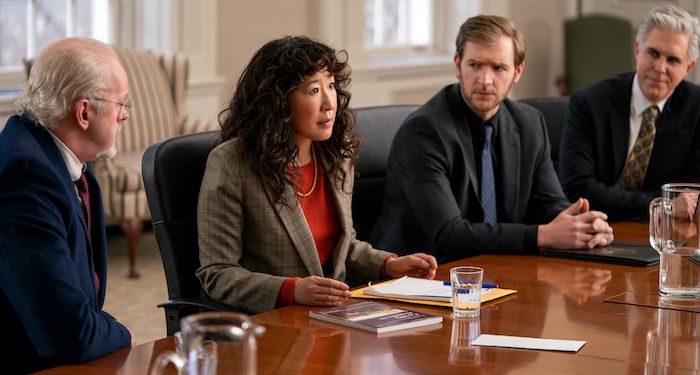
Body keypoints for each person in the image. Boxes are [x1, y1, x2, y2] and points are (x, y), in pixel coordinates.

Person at [196, 36, 438, 314]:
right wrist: (290, 289)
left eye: (331, 86)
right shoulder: (231, 163)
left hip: (335, 316)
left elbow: (340, 248)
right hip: (273, 324)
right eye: (313, 90)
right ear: (278, 100)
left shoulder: (336, 155)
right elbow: (216, 273)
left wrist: (388, 265)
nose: (329, 104)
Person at [370, 15, 614, 263]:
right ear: (457, 64)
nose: (485, 80)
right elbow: (448, 235)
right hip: (422, 278)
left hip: (497, 269)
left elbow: (548, 203)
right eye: (474, 65)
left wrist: (580, 225)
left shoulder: (528, 123)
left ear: (517, 71)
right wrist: (542, 235)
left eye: (498, 68)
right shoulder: (423, 132)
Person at [0, 38, 134, 373]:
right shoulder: (25, 176)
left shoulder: (59, 159)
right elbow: (69, 334)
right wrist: (125, 333)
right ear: (84, 112)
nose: (125, 116)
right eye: (121, 104)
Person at [559, 5, 700, 222]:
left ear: (689, 67)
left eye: (673, 60)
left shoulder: (697, 108)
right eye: (653, 53)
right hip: (595, 225)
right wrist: (665, 205)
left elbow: (692, 193)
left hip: (667, 233)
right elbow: (578, 187)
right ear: (637, 49)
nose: (660, 68)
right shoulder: (589, 103)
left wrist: (673, 205)